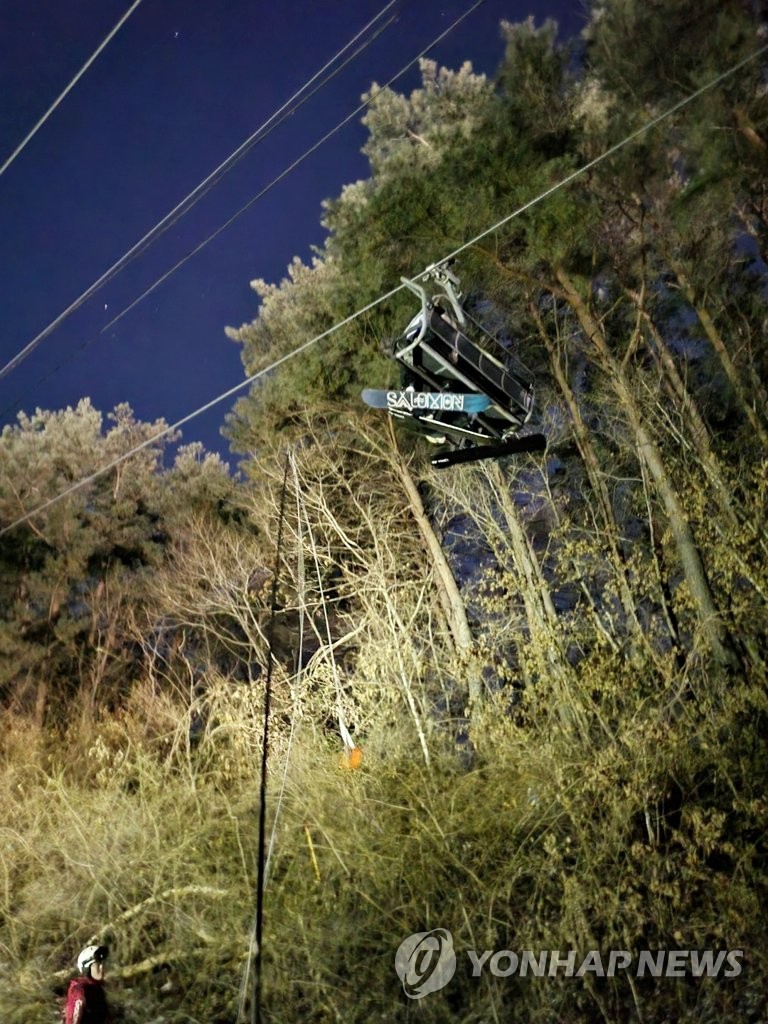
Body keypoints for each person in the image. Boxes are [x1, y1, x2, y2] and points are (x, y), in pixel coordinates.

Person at [64, 945, 111, 1024]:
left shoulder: (98, 990)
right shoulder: (80, 990)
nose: (102, 968)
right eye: (97, 965)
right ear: (87, 969)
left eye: (103, 964)